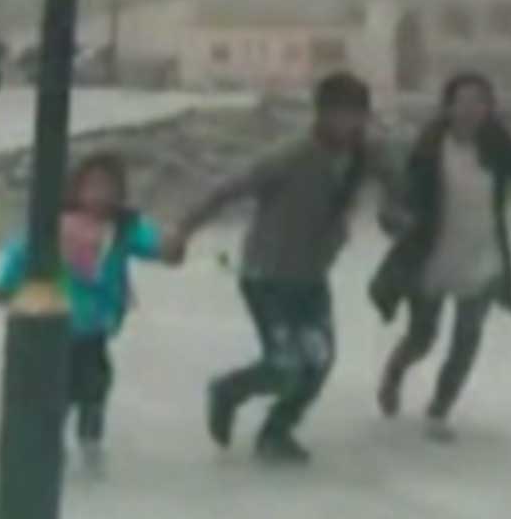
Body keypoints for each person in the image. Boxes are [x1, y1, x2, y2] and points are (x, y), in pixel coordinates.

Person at [171, 72, 401, 465]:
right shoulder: (291, 155)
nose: (348, 124)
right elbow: (229, 188)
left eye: (356, 115)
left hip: (312, 276)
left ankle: (277, 431)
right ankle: (228, 391)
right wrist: (184, 228)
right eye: (339, 114)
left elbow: (397, 184)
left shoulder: (369, 153)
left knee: (319, 362)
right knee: (285, 364)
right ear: (321, 114)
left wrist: (397, 212)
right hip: (267, 275)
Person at [369, 72, 511, 442]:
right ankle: (394, 372)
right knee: (422, 337)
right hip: (434, 254)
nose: (471, 109)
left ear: (489, 108)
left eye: (480, 101)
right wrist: (395, 216)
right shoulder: (430, 146)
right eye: (463, 100)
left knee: (467, 338)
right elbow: (403, 194)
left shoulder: (497, 143)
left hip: (482, 254)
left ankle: (438, 410)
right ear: (448, 106)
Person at [0, 152, 183, 474]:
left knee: (96, 382)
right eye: (92, 187)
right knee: (59, 388)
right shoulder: (54, 222)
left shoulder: (122, 229)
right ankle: (50, 443)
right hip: (58, 321)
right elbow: (22, 251)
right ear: (75, 189)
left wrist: (171, 248)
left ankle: (90, 436)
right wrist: (7, 284)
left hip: (97, 324)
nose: (100, 196)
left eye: (109, 188)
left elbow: (153, 244)